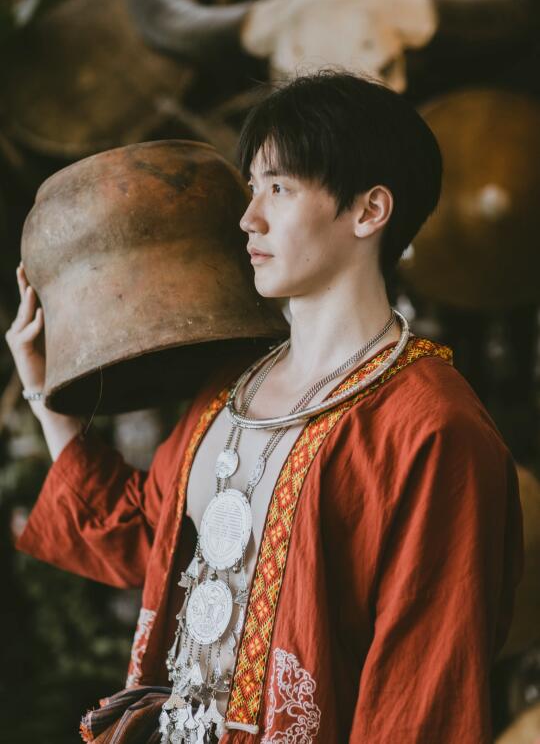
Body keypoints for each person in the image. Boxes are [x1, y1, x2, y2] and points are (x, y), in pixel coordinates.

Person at [6, 70, 523, 743]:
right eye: (252, 188)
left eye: (279, 188)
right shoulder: (230, 389)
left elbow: (421, 698)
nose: (249, 217)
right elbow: (149, 543)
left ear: (369, 211)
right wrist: (49, 398)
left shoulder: (431, 429)